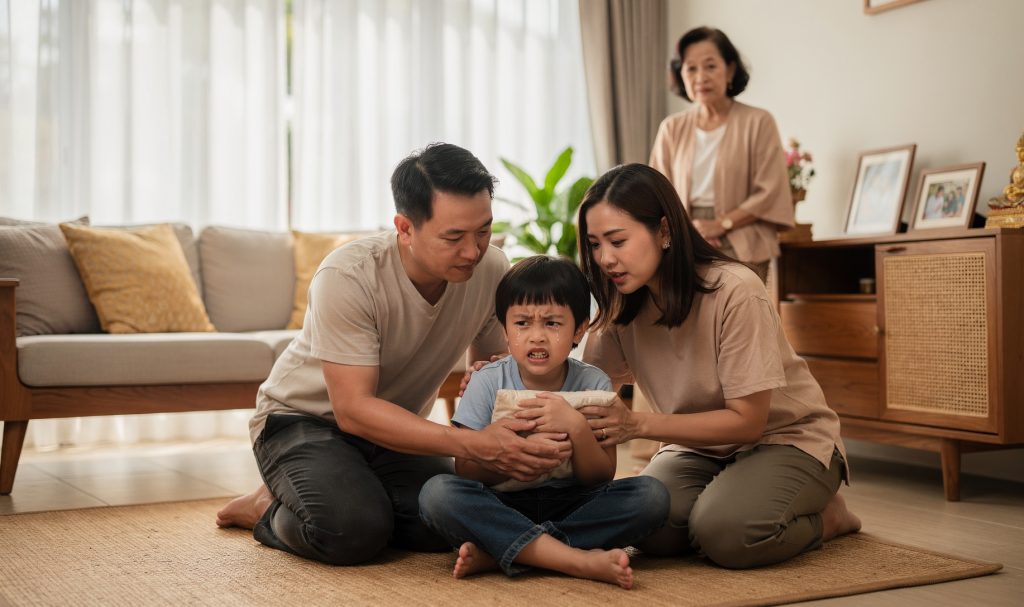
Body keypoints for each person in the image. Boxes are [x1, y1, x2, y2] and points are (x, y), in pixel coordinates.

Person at [215, 143, 569, 565]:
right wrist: (473, 444)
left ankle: (343, 487)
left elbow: (496, 365)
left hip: (395, 430)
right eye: (454, 237)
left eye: (484, 231)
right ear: (404, 228)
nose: (473, 251)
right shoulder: (348, 276)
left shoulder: (490, 269)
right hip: (303, 421)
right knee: (354, 531)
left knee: (450, 518)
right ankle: (265, 509)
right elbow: (353, 410)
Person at [565, 163, 861, 570]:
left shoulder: (735, 291)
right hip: (696, 448)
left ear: (665, 231)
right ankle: (726, 501)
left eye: (617, 241)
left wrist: (638, 424)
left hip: (786, 439)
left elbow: (748, 423)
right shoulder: (620, 306)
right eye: (595, 245)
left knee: (726, 534)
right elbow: (584, 395)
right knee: (648, 526)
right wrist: (509, 375)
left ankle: (831, 518)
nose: (605, 259)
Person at [419, 256, 669, 589]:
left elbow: (601, 475)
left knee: (651, 496)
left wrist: (578, 428)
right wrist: (507, 452)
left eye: (552, 323)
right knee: (438, 494)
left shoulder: (594, 382)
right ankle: (575, 557)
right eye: (522, 323)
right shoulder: (486, 381)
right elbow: (466, 470)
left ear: (580, 328)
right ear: (504, 328)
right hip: (502, 505)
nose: (537, 336)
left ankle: (506, 551)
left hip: (573, 504)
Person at [650, 27, 794, 283]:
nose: (700, 77)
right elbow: (657, 193)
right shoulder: (671, 129)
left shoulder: (759, 121)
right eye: (691, 68)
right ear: (680, 75)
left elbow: (769, 190)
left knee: (743, 319)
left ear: (730, 70)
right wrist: (690, 231)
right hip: (684, 240)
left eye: (710, 66)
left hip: (744, 237)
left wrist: (721, 224)